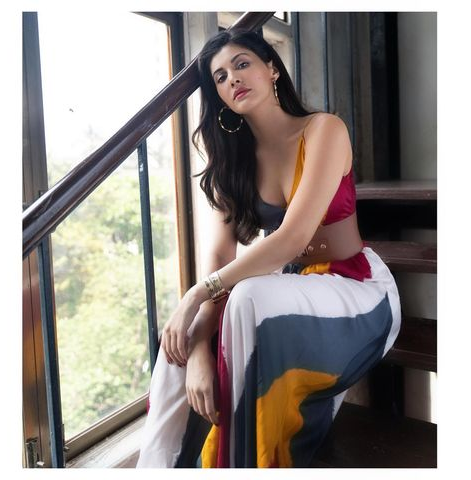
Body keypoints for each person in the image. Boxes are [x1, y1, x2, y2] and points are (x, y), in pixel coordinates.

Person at [136, 27, 401, 468]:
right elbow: (220, 258)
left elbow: (293, 238)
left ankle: (243, 462)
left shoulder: (324, 130)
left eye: (242, 64)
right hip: (285, 292)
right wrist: (198, 349)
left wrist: (196, 294)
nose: (233, 79)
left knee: (246, 295)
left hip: (354, 288)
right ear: (219, 97)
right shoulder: (231, 162)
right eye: (220, 77)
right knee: (178, 337)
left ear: (272, 68)